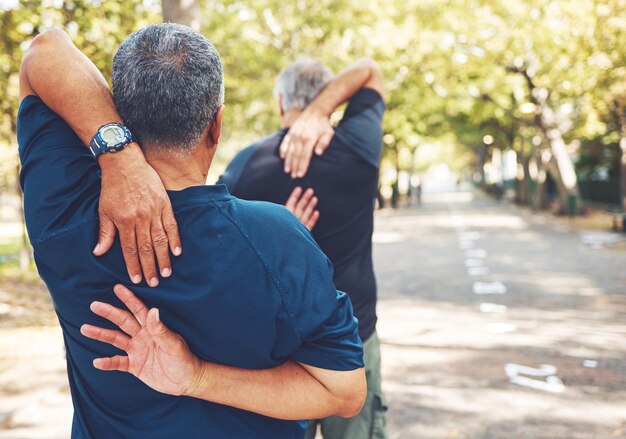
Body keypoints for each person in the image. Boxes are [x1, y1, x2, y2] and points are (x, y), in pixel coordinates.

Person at [17, 24, 366, 438]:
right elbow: (343, 392)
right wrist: (199, 379)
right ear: (216, 125)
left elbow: (44, 51)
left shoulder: (65, 213)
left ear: (121, 113)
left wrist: (117, 154)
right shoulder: (278, 240)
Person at [219, 58, 388, 439]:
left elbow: (221, 255)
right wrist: (320, 112)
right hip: (354, 338)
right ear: (330, 99)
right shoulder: (358, 147)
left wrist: (278, 233)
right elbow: (370, 71)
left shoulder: (248, 165)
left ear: (281, 101)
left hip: (276, 348)